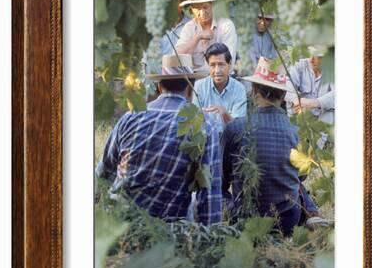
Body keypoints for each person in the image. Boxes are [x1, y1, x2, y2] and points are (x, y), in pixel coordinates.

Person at [96, 54, 222, 225]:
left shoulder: (130, 117)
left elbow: (103, 174)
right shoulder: (205, 124)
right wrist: (211, 236)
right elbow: (209, 193)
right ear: (190, 88)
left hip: (120, 222)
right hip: (167, 227)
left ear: (159, 87)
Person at [221, 57, 327, 235]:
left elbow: (223, 178)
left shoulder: (235, 128)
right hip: (286, 222)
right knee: (295, 183)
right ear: (284, 95)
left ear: (254, 90)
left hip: (244, 221)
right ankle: (311, 213)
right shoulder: (298, 132)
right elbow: (301, 176)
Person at [176, 0, 238, 73]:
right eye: (197, 8)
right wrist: (198, 36)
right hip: (195, 80)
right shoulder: (189, 27)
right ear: (192, 9)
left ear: (212, 5)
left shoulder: (226, 25)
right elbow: (177, 58)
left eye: (205, 7)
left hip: (222, 78)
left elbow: (229, 63)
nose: (202, 12)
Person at [193, 43, 247, 132]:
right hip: (205, 142)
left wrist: (224, 113)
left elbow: (239, 129)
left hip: (231, 142)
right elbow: (194, 123)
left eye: (221, 64)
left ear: (229, 64)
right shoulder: (199, 86)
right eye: (212, 65)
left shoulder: (239, 89)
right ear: (208, 65)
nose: (217, 71)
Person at [285, 46, 334, 124]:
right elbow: (288, 84)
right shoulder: (300, 65)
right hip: (300, 118)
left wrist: (314, 103)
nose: (311, 60)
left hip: (322, 123)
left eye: (316, 57)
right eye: (310, 54)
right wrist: (297, 100)